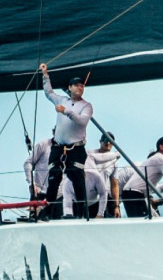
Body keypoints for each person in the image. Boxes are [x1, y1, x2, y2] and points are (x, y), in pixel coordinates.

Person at [40, 63, 93, 219]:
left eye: (82, 85)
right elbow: (48, 92)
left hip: (76, 149)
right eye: (76, 85)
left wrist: (66, 111)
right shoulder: (61, 100)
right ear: (69, 88)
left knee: (78, 181)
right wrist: (45, 75)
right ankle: (46, 214)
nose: (80, 87)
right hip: (58, 148)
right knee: (53, 179)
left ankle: (83, 214)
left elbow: (82, 121)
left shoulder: (86, 106)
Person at [120, 136, 163, 218]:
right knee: (142, 222)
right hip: (134, 193)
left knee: (148, 220)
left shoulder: (158, 158)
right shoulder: (161, 158)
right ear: (161, 147)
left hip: (134, 193)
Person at [86, 132, 122, 217]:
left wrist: (116, 206)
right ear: (100, 141)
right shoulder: (89, 154)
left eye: (111, 141)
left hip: (102, 196)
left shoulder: (114, 161)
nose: (108, 143)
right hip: (87, 195)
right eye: (105, 140)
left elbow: (114, 185)